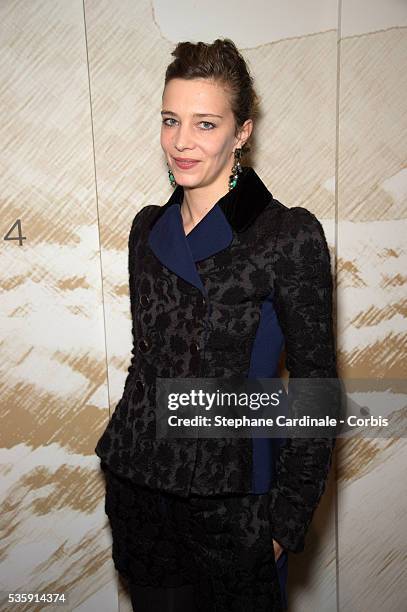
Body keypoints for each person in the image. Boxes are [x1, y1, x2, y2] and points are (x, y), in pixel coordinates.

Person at [95, 38, 339, 612]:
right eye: (170, 120)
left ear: (242, 131)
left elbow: (317, 392)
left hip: (236, 505)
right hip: (140, 496)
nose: (182, 141)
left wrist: (284, 522)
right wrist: (124, 477)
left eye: (205, 124)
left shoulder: (286, 234)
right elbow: (147, 361)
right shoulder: (145, 229)